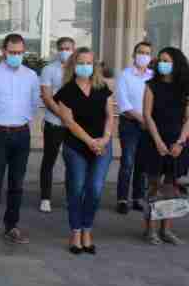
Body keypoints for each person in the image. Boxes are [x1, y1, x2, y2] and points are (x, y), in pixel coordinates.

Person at [0, 33, 40, 245]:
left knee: (17, 183)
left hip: (21, 133)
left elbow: (33, 103)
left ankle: (12, 225)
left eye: (20, 53)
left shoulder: (31, 75)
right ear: (4, 52)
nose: (16, 56)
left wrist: (21, 121)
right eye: (12, 52)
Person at [53, 48, 114, 255]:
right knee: (76, 189)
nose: (85, 66)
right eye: (81, 62)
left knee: (95, 189)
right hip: (76, 146)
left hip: (102, 145)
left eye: (89, 63)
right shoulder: (66, 92)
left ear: (94, 66)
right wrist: (90, 141)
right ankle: (76, 232)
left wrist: (104, 139)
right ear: (73, 65)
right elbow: (69, 123)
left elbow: (110, 116)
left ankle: (87, 229)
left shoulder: (101, 86)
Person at [142, 47, 189, 245]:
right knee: (154, 185)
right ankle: (150, 229)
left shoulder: (185, 87)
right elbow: (147, 115)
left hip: (177, 141)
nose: (162, 64)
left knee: (171, 186)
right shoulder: (151, 85)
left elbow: (188, 119)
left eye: (167, 60)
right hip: (154, 140)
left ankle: (166, 230)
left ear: (176, 63)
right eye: (160, 60)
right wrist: (158, 141)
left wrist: (180, 142)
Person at [38, 37, 76, 213]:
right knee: (49, 160)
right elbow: (46, 97)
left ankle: (71, 197)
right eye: (62, 48)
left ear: (74, 49)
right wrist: (63, 115)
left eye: (68, 48)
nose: (65, 51)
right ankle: (45, 198)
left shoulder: (80, 69)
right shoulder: (49, 69)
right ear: (57, 49)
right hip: (54, 123)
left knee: (73, 162)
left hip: (74, 126)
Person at [115, 42, 153, 214]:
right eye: (140, 52)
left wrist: (148, 121)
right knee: (128, 162)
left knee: (142, 163)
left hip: (148, 125)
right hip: (129, 124)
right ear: (133, 54)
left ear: (151, 57)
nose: (143, 55)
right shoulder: (124, 75)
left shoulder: (153, 76)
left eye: (146, 53)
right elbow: (124, 104)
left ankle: (138, 198)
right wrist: (142, 119)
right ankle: (122, 199)